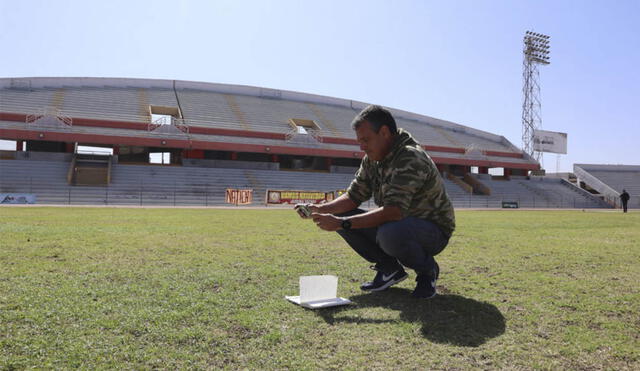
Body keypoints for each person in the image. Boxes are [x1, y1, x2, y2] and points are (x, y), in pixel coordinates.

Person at [296, 105, 455, 299]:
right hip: (398, 225)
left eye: (365, 139)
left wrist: (341, 224)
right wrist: (320, 208)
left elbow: (393, 212)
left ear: (385, 132)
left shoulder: (409, 157)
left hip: (431, 230)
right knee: (355, 218)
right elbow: (353, 197)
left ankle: (427, 271)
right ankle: (390, 269)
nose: (362, 146)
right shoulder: (372, 158)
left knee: (390, 232)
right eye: (359, 141)